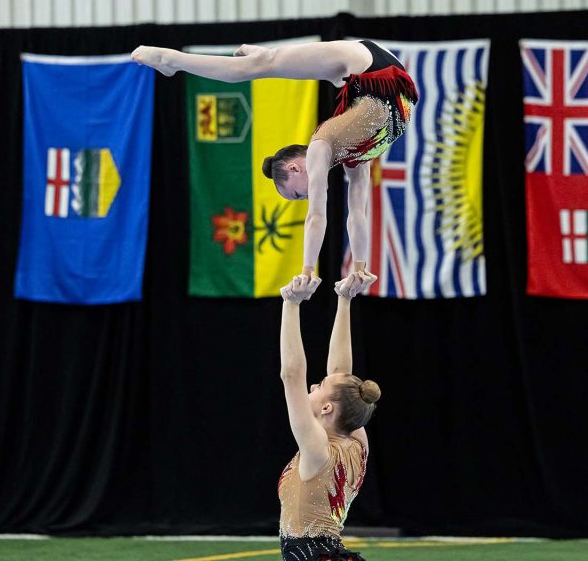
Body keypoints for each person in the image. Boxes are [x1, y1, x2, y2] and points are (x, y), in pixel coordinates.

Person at [132, 40, 418, 296]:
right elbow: (357, 213)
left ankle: (170, 60)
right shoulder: (352, 153)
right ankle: (264, 54)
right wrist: (359, 267)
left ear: (295, 169)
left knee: (257, 67)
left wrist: (307, 270)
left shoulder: (322, 145)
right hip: (378, 79)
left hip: (373, 72)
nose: (303, 198)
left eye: (296, 195)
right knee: (299, 68)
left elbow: (316, 216)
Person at [276, 271, 381, 561]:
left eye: (319, 387)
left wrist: (291, 303)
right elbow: (341, 375)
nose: (312, 386)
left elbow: (292, 375)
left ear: (327, 409)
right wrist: (345, 300)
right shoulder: (358, 443)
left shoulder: (317, 450)